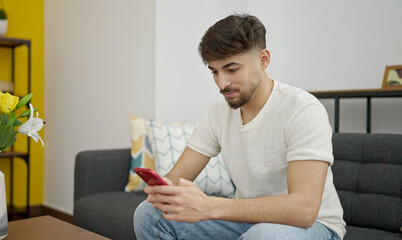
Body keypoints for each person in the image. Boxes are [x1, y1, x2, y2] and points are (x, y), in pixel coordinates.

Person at [133, 14, 345, 240]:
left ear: (263, 59)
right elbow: (178, 175)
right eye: (215, 71)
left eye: (231, 69)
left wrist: (209, 206)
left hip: (315, 227)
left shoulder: (303, 110)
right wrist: (164, 188)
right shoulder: (218, 111)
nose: (222, 83)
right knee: (149, 214)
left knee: (264, 235)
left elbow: (303, 210)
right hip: (246, 221)